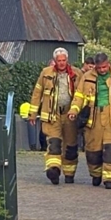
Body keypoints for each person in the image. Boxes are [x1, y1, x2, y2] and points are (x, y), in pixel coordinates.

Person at [68, 53, 111, 189]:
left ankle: (110, 179)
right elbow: (79, 96)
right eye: (99, 68)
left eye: (104, 67)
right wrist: (73, 111)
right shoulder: (87, 77)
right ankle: (96, 174)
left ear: (109, 63)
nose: (102, 70)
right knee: (93, 151)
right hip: (93, 118)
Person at [28, 47, 81, 184]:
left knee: (70, 146)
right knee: (54, 144)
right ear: (55, 61)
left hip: (70, 115)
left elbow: (82, 94)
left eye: (64, 60)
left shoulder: (76, 73)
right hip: (52, 114)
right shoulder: (46, 73)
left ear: (67, 60)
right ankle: (54, 170)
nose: (62, 63)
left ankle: (69, 173)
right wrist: (32, 113)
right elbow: (37, 93)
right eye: (59, 61)